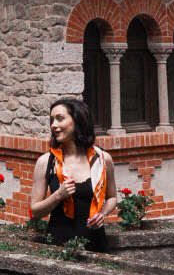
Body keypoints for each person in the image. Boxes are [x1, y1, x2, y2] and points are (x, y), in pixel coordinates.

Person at [31, 97, 117, 250]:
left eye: (59, 119)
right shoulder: (46, 162)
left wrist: (102, 214)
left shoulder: (103, 159)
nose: (53, 125)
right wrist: (59, 195)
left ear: (77, 120)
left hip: (95, 243)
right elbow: (36, 211)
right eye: (52, 120)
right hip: (58, 245)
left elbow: (112, 197)